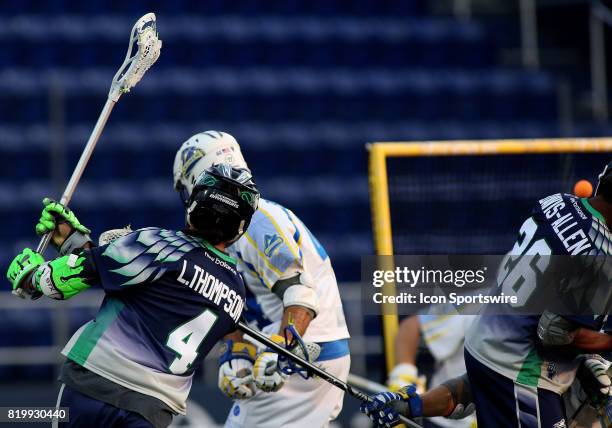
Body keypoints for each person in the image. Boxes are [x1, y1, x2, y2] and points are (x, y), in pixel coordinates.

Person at [360, 161, 612, 428]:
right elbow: (554, 331)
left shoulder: (556, 202)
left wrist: (412, 405)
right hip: (523, 374)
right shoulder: (602, 257)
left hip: (487, 351)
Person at [6, 164, 259, 428]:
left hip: (93, 385)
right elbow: (162, 290)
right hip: (151, 410)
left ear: (196, 202)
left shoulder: (160, 244)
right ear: (239, 226)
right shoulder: (236, 290)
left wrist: (32, 275)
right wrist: (75, 241)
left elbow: (61, 281)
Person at [172, 131, 351, 428]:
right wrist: (236, 350)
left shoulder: (258, 221)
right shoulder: (236, 223)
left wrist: (281, 349)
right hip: (295, 347)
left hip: (303, 353)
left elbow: (301, 296)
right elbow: (241, 300)